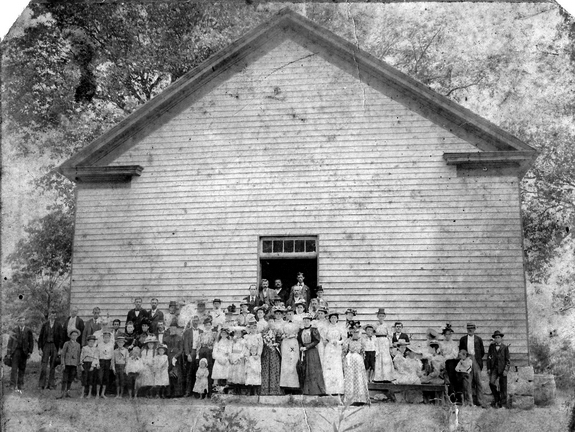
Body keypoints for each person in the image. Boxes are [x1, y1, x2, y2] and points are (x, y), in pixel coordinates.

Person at [458, 323, 486, 407]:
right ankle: (468, 402)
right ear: (466, 329)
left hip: (476, 360)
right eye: (469, 328)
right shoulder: (463, 339)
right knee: (468, 381)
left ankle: (480, 401)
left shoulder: (478, 339)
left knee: (478, 382)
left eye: (472, 328)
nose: (470, 330)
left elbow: (482, 352)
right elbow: (461, 351)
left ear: (474, 329)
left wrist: (476, 359)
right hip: (466, 360)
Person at [298, 313, 325, 395]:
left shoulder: (313, 330)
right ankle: (306, 390)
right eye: (304, 321)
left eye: (307, 321)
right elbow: (299, 340)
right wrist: (301, 347)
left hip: (312, 351)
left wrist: (307, 347)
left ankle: (315, 390)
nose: (306, 322)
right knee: (304, 369)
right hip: (304, 351)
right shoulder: (301, 331)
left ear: (310, 321)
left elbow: (317, 340)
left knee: (313, 369)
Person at [343, 325, 370, 405]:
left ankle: (360, 399)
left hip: (358, 360)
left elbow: (363, 352)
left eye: (357, 332)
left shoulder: (362, 341)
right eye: (354, 332)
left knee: (359, 378)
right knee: (350, 378)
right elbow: (344, 352)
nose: (355, 334)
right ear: (351, 332)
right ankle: (350, 399)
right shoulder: (347, 341)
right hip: (350, 360)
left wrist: (361, 358)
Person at [7, 315, 34, 393]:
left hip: (24, 352)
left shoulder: (28, 330)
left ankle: (20, 385)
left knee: (22, 369)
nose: (22, 322)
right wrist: (8, 353)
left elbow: (31, 342)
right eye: (20, 321)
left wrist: (30, 352)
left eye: (23, 320)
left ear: (25, 321)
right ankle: (12, 385)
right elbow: (10, 342)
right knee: (14, 369)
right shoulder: (14, 330)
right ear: (18, 322)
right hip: (15, 351)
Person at [38, 310, 64, 390]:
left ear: (55, 316)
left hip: (54, 346)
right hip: (46, 345)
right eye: (51, 315)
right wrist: (39, 349)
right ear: (49, 316)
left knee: (53, 365)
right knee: (44, 366)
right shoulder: (45, 325)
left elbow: (61, 338)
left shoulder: (58, 325)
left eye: (54, 315)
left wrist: (60, 348)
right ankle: (41, 384)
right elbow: (40, 337)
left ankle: (51, 385)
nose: (52, 316)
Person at [323, 311, 345, 395]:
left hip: (337, 348)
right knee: (329, 366)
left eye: (335, 318)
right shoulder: (326, 328)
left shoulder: (340, 328)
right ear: (329, 319)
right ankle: (328, 389)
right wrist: (328, 342)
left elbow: (343, 339)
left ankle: (338, 389)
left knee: (336, 366)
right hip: (329, 348)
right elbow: (324, 338)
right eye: (332, 317)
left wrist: (338, 342)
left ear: (337, 319)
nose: (333, 319)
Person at [487, 330, 510, 408]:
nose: (497, 339)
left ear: (501, 338)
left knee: (503, 386)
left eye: (498, 337)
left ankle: (503, 404)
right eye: (496, 337)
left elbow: (508, 360)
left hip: (502, 369)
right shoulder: (491, 347)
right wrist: (489, 368)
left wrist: (506, 370)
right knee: (491, 383)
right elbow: (489, 358)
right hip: (494, 369)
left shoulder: (505, 347)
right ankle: (497, 399)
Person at [280, 307, 300, 393]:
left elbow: (300, 334)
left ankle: (294, 385)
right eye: (288, 314)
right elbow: (280, 334)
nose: (289, 315)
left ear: (294, 315)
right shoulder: (283, 324)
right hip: (285, 343)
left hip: (293, 343)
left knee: (293, 361)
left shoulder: (297, 324)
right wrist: (283, 336)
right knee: (285, 362)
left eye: (291, 314)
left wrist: (294, 335)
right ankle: (285, 385)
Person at [260, 318, 283, 396]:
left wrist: (275, 344)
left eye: (272, 321)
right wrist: (266, 344)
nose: (270, 323)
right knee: (266, 369)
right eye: (269, 321)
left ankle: (274, 389)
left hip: (274, 351)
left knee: (274, 369)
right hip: (266, 351)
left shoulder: (277, 331)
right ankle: (265, 389)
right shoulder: (264, 331)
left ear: (274, 322)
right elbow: (262, 340)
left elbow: (280, 341)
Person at [57, 328, 82, 399]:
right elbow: (63, 355)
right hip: (67, 363)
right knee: (65, 378)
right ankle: (62, 392)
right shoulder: (66, 343)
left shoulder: (78, 345)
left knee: (71, 378)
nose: (74, 337)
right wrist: (63, 363)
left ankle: (68, 391)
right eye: (73, 335)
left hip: (74, 364)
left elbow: (78, 355)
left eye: (76, 335)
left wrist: (77, 365)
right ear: (70, 336)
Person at [439, 324, 459, 401]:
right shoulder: (442, 344)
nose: (447, 336)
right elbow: (440, 353)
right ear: (444, 335)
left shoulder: (454, 344)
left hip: (451, 361)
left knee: (451, 373)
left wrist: (446, 357)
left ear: (451, 335)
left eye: (449, 334)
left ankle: (452, 393)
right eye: (446, 334)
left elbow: (454, 354)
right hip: (443, 361)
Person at [373, 308, 394, 382]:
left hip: (385, 341)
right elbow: (372, 333)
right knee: (378, 357)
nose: (381, 317)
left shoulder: (387, 325)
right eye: (379, 316)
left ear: (384, 317)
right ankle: (378, 377)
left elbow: (390, 335)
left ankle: (387, 377)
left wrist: (390, 345)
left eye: (382, 316)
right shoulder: (375, 325)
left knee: (385, 358)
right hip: (377, 341)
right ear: (377, 316)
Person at [183, 316, 203, 396]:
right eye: (194, 321)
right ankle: (188, 391)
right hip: (191, 352)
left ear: (199, 322)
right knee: (189, 373)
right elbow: (185, 344)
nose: (195, 322)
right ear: (191, 322)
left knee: (198, 372)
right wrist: (188, 354)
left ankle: (197, 392)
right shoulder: (187, 331)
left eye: (197, 321)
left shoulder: (201, 331)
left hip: (198, 353)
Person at [244, 317, 263, 395]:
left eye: (254, 328)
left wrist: (258, 355)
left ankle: (256, 390)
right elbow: (245, 346)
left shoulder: (258, 336)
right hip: (249, 357)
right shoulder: (247, 337)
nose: (253, 330)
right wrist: (247, 355)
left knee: (256, 372)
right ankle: (249, 389)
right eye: (251, 328)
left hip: (256, 357)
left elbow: (260, 346)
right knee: (249, 372)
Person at [165, 319, 184, 398]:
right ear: (169, 329)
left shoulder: (179, 338)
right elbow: (164, 349)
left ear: (176, 329)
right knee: (169, 374)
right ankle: (169, 393)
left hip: (177, 359)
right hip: (168, 358)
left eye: (174, 328)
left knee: (176, 375)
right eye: (171, 328)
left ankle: (177, 393)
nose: (173, 330)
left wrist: (175, 357)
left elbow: (181, 349)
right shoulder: (166, 338)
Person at [198, 317, 216, 396]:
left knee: (209, 370)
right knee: (202, 369)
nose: (207, 326)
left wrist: (213, 350)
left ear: (211, 325)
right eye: (206, 325)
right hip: (202, 351)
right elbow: (198, 344)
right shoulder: (201, 334)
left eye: (209, 325)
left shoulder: (213, 334)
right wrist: (198, 354)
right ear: (204, 326)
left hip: (209, 352)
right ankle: (202, 392)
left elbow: (215, 344)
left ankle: (209, 392)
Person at [228, 327, 247, 393]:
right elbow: (230, 348)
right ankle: (234, 387)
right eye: (237, 333)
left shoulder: (243, 341)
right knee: (234, 372)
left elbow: (244, 349)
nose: (238, 334)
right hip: (233, 356)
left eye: (239, 333)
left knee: (239, 372)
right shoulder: (233, 340)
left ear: (242, 334)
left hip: (239, 357)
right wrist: (230, 356)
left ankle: (239, 388)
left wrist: (240, 357)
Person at [97, 329, 115, 398]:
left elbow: (112, 356)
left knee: (106, 378)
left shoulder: (111, 345)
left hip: (108, 362)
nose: (106, 338)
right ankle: (98, 393)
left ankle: (102, 393)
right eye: (105, 337)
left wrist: (112, 364)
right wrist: (97, 363)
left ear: (110, 338)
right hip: (101, 361)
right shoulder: (99, 345)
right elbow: (97, 354)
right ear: (103, 337)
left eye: (108, 337)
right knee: (99, 377)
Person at [112, 334, 129, 398]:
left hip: (123, 366)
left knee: (122, 380)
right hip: (117, 366)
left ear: (124, 343)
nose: (120, 343)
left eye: (122, 342)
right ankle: (117, 394)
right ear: (117, 343)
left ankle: (121, 394)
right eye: (119, 342)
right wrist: (113, 368)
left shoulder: (125, 350)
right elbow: (113, 360)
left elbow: (127, 360)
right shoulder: (115, 351)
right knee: (117, 380)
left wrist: (126, 367)